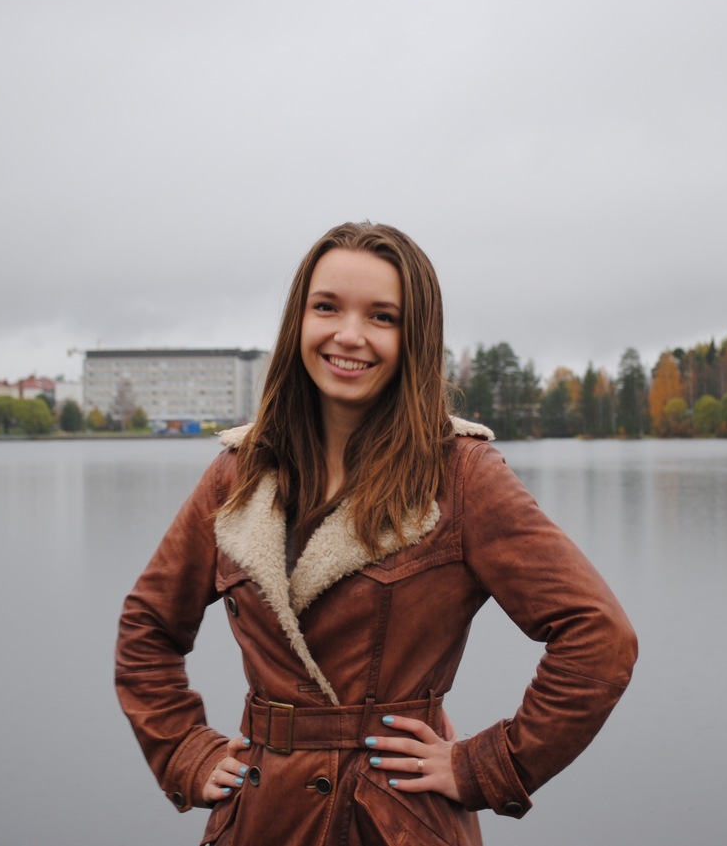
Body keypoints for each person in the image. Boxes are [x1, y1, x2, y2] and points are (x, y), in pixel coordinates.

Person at [115, 222, 638, 845]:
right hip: (258, 819)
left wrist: (487, 766)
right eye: (326, 307)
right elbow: (147, 628)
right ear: (298, 321)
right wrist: (184, 753)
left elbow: (598, 637)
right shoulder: (239, 472)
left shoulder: (459, 474)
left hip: (395, 821)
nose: (348, 334)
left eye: (381, 316)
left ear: (414, 337)